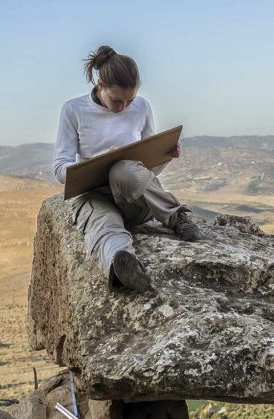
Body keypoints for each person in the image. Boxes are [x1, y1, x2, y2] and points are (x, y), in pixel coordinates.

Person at [52, 45, 198, 293]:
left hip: (134, 199)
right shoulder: (73, 110)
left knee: (122, 170)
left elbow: (147, 171)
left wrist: (165, 155)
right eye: (117, 100)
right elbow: (59, 169)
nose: (124, 106)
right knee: (104, 224)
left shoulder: (141, 107)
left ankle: (176, 217)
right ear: (101, 85)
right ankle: (119, 268)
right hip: (94, 194)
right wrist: (98, 159)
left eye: (130, 100)